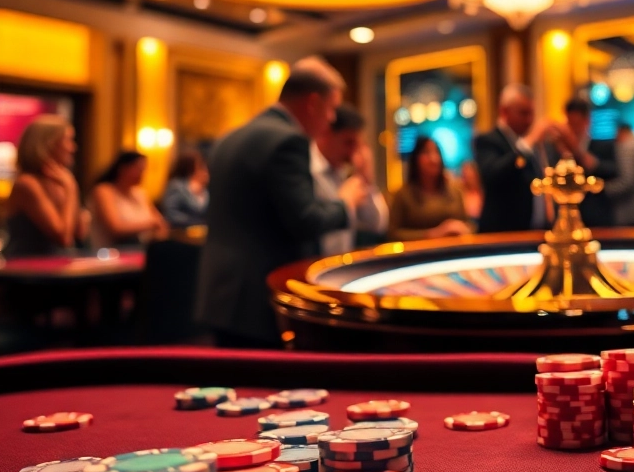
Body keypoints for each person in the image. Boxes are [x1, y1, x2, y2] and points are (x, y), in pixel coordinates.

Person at [195, 58, 368, 348]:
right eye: (331, 109)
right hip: (257, 298)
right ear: (313, 102)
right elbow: (305, 220)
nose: (330, 119)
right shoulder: (289, 141)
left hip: (220, 291)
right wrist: (345, 204)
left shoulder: (230, 137)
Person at [474, 83, 557, 233]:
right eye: (523, 113)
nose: (529, 120)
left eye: (531, 113)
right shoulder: (488, 140)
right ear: (504, 112)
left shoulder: (531, 145)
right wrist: (528, 143)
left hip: (535, 232)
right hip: (503, 235)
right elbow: (492, 175)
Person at [4, 115, 88, 257]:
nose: (73, 148)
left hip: (58, 266)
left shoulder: (60, 183)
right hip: (28, 270)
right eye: (68, 140)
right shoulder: (27, 184)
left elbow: (80, 232)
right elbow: (64, 238)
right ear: (48, 143)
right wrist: (71, 188)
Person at [311, 104, 388, 256]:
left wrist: (366, 179)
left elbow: (377, 225)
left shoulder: (346, 173)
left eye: (357, 144)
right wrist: (345, 203)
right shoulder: (307, 169)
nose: (353, 152)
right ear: (326, 134)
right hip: (312, 264)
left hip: (340, 264)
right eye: (348, 143)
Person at [546, 98, 617, 227]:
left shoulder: (602, 146)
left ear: (587, 121)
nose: (573, 129)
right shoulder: (556, 148)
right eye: (569, 123)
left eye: (577, 123)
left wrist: (576, 150)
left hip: (597, 218)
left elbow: (611, 171)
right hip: (565, 218)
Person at [388, 135, 472, 241]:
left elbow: (468, 225)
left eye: (436, 152)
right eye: (426, 153)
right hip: (419, 255)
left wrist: (463, 229)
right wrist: (433, 234)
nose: (434, 159)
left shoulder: (455, 192)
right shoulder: (403, 195)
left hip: (454, 252)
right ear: (415, 159)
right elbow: (392, 234)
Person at [88, 151, 167, 248]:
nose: (142, 174)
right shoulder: (104, 191)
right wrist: (150, 224)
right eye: (138, 169)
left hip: (140, 249)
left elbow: (159, 222)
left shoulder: (139, 193)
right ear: (123, 168)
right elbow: (115, 228)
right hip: (112, 252)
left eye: (143, 170)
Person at [161, 150, 209, 228]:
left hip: (200, 232)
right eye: (200, 165)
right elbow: (171, 214)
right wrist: (198, 222)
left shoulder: (205, 189)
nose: (204, 169)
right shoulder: (177, 186)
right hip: (180, 233)